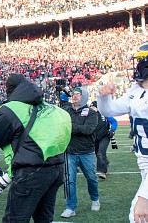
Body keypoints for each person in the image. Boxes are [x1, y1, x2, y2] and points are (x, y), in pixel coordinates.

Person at [0, 73, 71, 222]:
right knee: (44, 218)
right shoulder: (51, 108)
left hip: (30, 171)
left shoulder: (11, 109)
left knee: (15, 219)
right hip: (56, 168)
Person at [97, 41, 148, 223]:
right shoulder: (137, 90)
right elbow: (108, 111)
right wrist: (103, 95)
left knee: (137, 216)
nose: (136, 67)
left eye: (140, 63)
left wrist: (145, 195)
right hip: (144, 167)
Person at [61, 86, 99, 218]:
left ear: (85, 97)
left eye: (78, 94)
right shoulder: (67, 111)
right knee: (69, 180)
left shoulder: (91, 113)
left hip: (86, 152)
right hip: (70, 151)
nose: (75, 96)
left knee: (91, 178)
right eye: (74, 94)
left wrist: (70, 127)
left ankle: (95, 199)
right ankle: (70, 207)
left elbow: (88, 129)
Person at [90, 101, 118, 179]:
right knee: (98, 154)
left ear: (98, 108)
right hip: (94, 138)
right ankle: (106, 163)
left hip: (104, 136)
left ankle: (103, 172)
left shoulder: (104, 114)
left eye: (93, 107)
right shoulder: (89, 115)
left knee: (100, 153)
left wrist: (112, 130)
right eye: (91, 107)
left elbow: (114, 122)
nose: (91, 109)